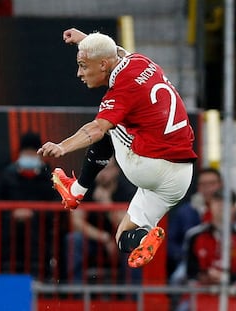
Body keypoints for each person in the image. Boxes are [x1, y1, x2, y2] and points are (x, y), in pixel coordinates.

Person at [37, 28, 198, 268]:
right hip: (181, 177)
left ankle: (77, 191)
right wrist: (85, 40)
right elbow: (117, 52)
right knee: (124, 237)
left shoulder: (121, 91)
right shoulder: (139, 60)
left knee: (107, 124)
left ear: (103, 64)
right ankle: (144, 237)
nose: (79, 73)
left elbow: (96, 130)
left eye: (83, 65)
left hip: (151, 166)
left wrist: (62, 146)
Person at [167, 167, 236, 281]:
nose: (208, 188)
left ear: (221, 184)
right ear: (197, 187)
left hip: (234, 259)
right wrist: (186, 255)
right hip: (198, 262)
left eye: (212, 183)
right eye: (203, 184)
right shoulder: (186, 211)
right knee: (178, 278)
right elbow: (171, 240)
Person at [0, 131, 59, 279]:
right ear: (20, 153)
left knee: (36, 230)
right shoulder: (6, 176)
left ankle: (38, 275)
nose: (30, 156)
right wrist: (12, 213)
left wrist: (34, 213)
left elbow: (56, 206)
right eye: (27, 152)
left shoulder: (49, 178)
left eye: (34, 153)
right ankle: (5, 274)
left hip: (39, 228)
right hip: (9, 227)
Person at [176, 189, 236, 311]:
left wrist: (225, 278)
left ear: (234, 207)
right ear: (210, 205)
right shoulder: (194, 235)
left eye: (226, 202)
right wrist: (206, 276)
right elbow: (189, 272)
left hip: (232, 296)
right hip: (200, 294)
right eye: (217, 201)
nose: (221, 206)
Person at [66, 157, 138, 283]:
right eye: (99, 169)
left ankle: (132, 297)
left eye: (107, 169)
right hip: (94, 239)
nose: (102, 174)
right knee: (73, 240)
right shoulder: (85, 187)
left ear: (116, 170)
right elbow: (76, 221)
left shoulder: (127, 189)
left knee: (133, 246)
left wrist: (107, 205)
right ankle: (75, 293)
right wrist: (103, 237)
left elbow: (130, 224)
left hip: (120, 238)